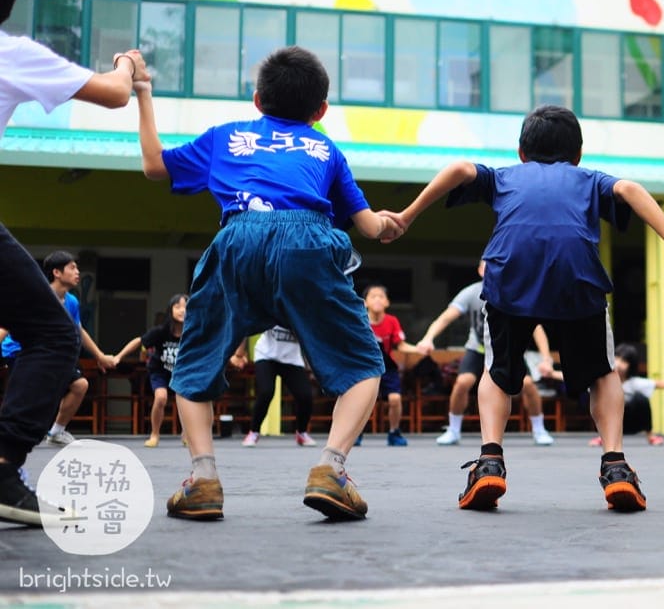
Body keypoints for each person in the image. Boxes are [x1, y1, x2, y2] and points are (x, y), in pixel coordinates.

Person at [383, 104, 664, 513]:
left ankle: (489, 462)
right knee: (602, 373)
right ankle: (616, 467)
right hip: (577, 273)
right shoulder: (589, 179)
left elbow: (462, 169)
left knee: (497, 371)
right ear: (578, 155)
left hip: (510, 271)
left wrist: (407, 216)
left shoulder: (505, 176)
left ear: (522, 152)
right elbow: (630, 190)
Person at [132, 45, 402, 521]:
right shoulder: (326, 149)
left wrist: (143, 91)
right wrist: (386, 223)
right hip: (308, 244)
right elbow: (368, 227)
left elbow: (154, 164)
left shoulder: (226, 136)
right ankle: (330, 469)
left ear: (257, 100)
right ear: (321, 111)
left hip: (238, 241)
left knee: (192, 367)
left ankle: (203, 480)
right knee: (365, 367)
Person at [0, 0, 148, 526]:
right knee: (53, 335)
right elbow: (113, 94)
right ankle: (2, 466)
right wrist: (127, 64)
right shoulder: (11, 53)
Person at [416, 260, 555, 446]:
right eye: (486, 267)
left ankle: (539, 429)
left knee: (528, 385)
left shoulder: (514, 292)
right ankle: (453, 429)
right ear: (480, 271)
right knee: (463, 382)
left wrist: (546, 358)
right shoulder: (471, 293)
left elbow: (536, 328)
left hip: (506, 348)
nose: (491, 270)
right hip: (478, 348)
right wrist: (428, 337)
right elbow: (446, 317)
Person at [1, 251, 118, 446]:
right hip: (20, 351)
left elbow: (78, 330)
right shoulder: (37, 296)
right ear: (57, 272)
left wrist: (100, 356)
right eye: (72, 268)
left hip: (50, 353)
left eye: (77, 268)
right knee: (24, 400)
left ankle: (56, 433)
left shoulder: (71, 302)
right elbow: (7, 325)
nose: (77, 272)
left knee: (79, 385)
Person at [114, 293, 189, 448]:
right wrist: (119, 356)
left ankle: (186, 434)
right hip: (160, 371)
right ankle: (154, 434)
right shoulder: (161, 331)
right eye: (178, 307)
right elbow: (139, 341)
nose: (182, 310)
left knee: (187, 402)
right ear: (170, 310)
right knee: (161, 397)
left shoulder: (192, 333)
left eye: (186, 307)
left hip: (181, 373)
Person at [586, 343, 664, 447]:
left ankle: (650, 436)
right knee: (601, 400)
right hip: (611, 424)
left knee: (641, 399)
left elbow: (660, 384)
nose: (618, 364)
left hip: (630, 424)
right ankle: (603, 437)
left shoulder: (634, 383)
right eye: (617, 358)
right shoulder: (604, 382)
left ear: (630, 366)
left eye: (624, 361)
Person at [233, 326, 318, 448]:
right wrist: (239, 354)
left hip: (291, 359)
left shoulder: (302, 316)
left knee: (305, 395)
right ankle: (254, 431)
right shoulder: (272, 312)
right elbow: (247, 325)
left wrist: (313, 365)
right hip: (266, 355)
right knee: (266, 392)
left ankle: (302, 432)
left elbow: (312, 338)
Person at [361, 284, 421, 447]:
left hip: (387, 367)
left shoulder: (392, 321)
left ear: (387, 302)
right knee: (362, 401)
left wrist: (418, 349)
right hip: (365, 367)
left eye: (381, 296)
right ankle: (356, 433)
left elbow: (400, 345)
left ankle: (394, 432)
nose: (377, 299)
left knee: (395, 399)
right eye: (373, 296)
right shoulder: (360, 320)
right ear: (365, 302)